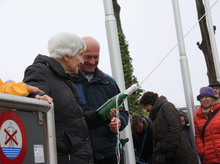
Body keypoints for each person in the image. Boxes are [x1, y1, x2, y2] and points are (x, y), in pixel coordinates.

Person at [23, 32, 118, 164]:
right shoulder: (40, 71)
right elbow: (31, 94)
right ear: (67, 56)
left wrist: (102, 116)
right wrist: (37, 98)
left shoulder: (65, 79)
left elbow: (77, 119)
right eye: (80, 55)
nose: (81, 60)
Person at [73, 36, 129, 164]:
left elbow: (124, 113)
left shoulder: (109, 82)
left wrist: (119, 122)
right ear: (77, 54)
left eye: (96, 57)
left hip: (109, 154)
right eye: (88, 57)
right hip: (79, 155)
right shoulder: (67, 82)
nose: (92, 62)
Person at [139, 91, 198, 164]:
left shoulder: (167, 106)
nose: (146, 109)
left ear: (150, 103)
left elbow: (176, 128)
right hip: (166, 156)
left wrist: (170, 151)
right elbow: (156, 139)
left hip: (178, 153)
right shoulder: (155, 116)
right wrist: (155, 157)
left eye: (145, 106)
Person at [194, 86, 220, 164]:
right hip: (209, 157)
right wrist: (202, 151)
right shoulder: (197, 117)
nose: (203, 100)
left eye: (206, 97)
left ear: (212, 98)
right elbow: (198, 136)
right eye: (201, 98)